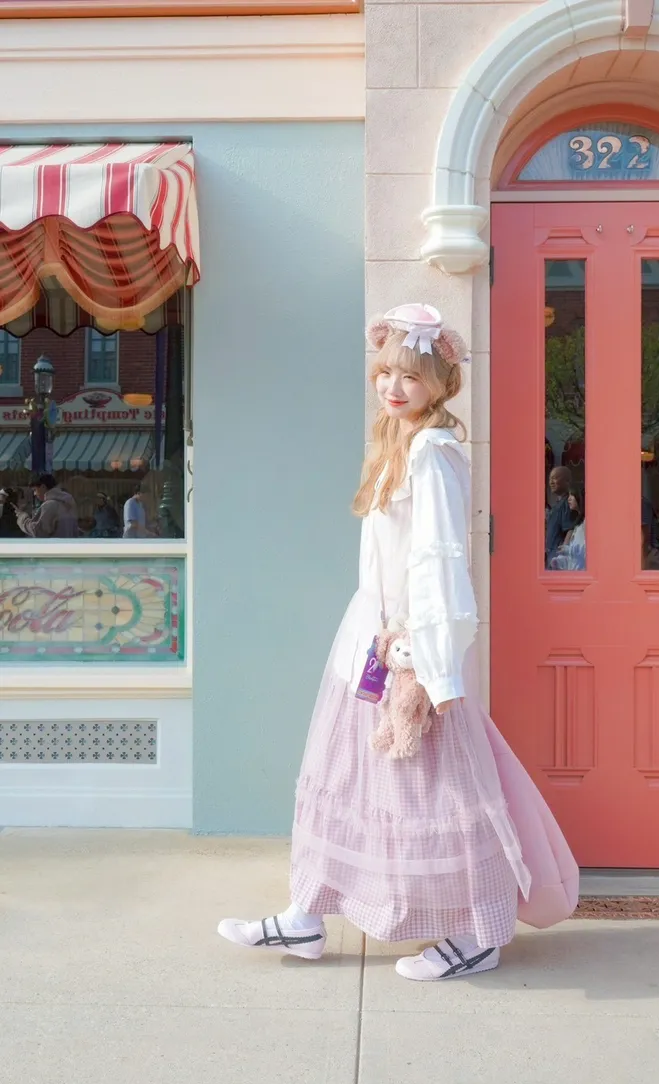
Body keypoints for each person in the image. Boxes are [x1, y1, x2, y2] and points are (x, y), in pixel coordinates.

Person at [218, 303, 578, 982]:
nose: (393, 385)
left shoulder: (433, 454)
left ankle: (479, 933)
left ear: (439, 383)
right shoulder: (399, 442)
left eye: (410, 375)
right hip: (371, 643)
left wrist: (424, 657)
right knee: (348, 778)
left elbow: (439, 560)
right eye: (386, 372)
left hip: (408, 649)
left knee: (445, 791)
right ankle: (306, 913)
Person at [16, 474, 79, 538]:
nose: (34, 494)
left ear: (43, 487)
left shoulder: (50, 505)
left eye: (35, 490)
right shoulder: (69, 502)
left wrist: (22, 517)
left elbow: (38, 531)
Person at [545, 466, 579, 566]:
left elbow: (570, 530)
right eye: (550, 479)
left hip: (557, 560)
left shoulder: (567, 503)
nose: (551, 482)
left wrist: (561, 558)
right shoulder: (557, 505)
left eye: (555, 478)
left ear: (567, 481)